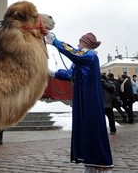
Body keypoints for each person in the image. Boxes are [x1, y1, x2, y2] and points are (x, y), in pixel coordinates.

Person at [47, 32, 113, 172]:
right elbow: (71, 74)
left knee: (92, 127)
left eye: (80, 42)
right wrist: (53, 73)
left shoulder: (90, 56)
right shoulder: (83, 59)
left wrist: (55, 41)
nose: (78, 44)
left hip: (89, 100)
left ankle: (100, 163)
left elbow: (73, 52)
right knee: (85, 129)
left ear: (86, 43)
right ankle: (90, 163)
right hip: (83, 99)